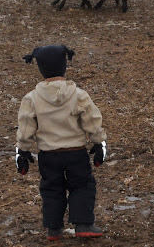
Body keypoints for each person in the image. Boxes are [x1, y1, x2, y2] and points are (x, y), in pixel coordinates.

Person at [15, 44, 107, 241]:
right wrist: (99, 143)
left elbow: (26, 127)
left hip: (48, 154)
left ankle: (53, 228)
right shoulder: (78, 95)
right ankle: (83, 223)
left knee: (51, 188)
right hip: (76, 152)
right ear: (64, 65)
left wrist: (22, 151)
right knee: (82, 185)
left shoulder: (31, 98)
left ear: (40, 67)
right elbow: (92, 121)